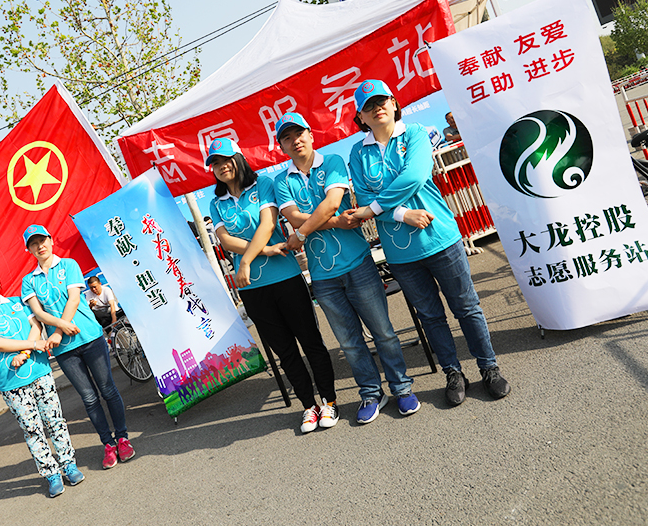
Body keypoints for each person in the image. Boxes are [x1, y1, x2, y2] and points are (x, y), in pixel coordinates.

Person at [348, 79, 510, 407]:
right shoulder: (358, 152)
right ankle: (453, 373)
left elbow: (415, 175)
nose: (377, 108)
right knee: (430, 316)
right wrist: (403, 214)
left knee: (466, 307)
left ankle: (488, 367)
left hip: (440, 239)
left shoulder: (414, 134)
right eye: (368, 106)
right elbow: (362, 198)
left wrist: (375, 209)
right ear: (361, 117)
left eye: (382, 100)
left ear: (394, 103)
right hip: (401, 253)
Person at [273, 111, 420, 424]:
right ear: (281, 146)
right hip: (322, 276)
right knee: (350, 343)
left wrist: (303, 232)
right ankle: (371, 393)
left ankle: (402, 388)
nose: (295, 141)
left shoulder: (333, 162)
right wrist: (332, 223)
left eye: (299, 133)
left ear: (310, 134)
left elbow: (330, 203)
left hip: (358, 263)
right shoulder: (280, 181)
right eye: (287, 137)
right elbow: (295, 216)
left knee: (383, 332)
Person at [206, 137, 339, 433]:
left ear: (239, 159)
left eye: (226, 160)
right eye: (215, 163)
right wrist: (263, 251)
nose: (221, 166)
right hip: (252, 289)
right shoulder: (216, 203)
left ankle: (329, 400)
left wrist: (245, 262)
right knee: (285, 351)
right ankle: (309, 406)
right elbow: (225, 240)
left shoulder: (263, 185)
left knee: (310, 341)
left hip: (285, 278)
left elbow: (267, 224)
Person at [20, 225, 135, 469]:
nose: (40, 246)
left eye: (42, 240)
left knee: (108, 389)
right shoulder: (29, 281)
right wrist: (62, 329)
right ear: (29, 249)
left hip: (90, 337)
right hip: (64, 350)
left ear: (51, 241)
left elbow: (74, 299)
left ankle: (122, 438)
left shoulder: (68, 265)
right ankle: (108, 444)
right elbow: (38, 312)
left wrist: (58, 331)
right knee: (89, 398)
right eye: (33, 243)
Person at [0, 263, 83, 498]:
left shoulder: (18, 302)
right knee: (32, 429)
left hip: (39, 371)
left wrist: (25, 353)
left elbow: (36, 325)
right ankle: (51, 473)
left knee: (55, 420)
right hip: (12, 382)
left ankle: (68, 464)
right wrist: (31, 345)